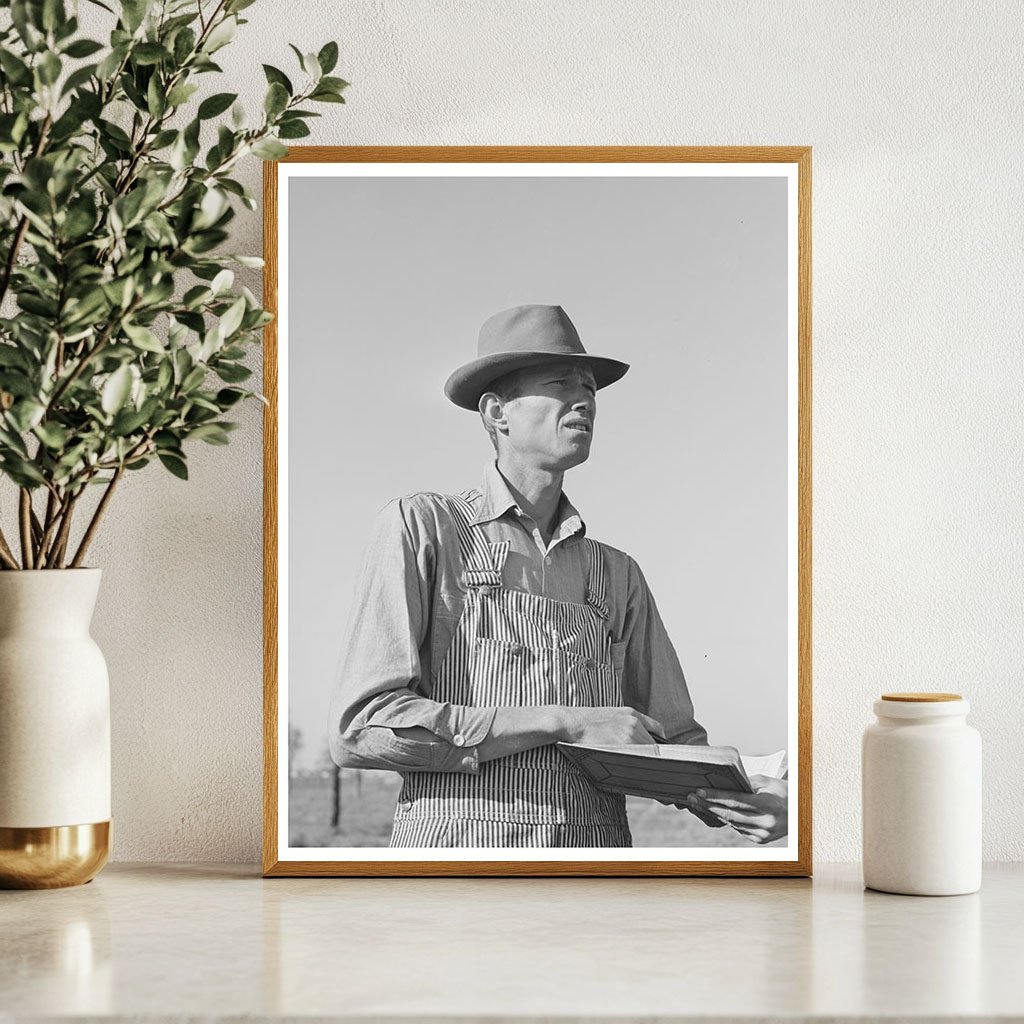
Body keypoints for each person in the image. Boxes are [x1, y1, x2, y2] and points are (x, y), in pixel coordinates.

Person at [328, 304, 787, 848]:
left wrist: (750, 797)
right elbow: (362, 728)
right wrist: (564, 721)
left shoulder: (618, 574)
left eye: (589, 388)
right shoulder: (423, 528)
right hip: (458, 863)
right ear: (497, 412)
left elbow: (672, 742)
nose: (584, 400)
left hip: (595, 863)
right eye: (560, 384)